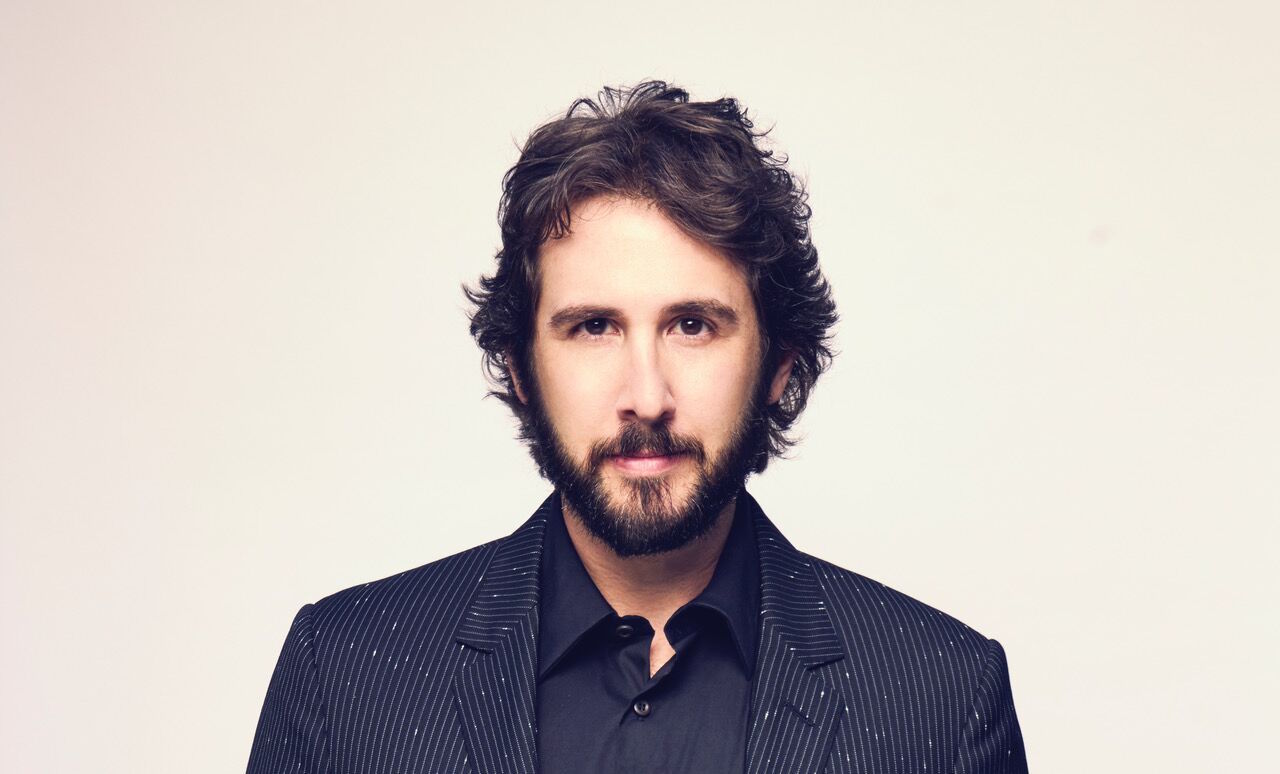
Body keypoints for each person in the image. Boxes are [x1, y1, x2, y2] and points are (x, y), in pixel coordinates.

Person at [246, 81, 1028, 774]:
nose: (646, 397)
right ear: (521, 370)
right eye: (594, 327)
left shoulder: (943, 698)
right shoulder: (342, 675)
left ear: (777, 365)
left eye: (693, 325)